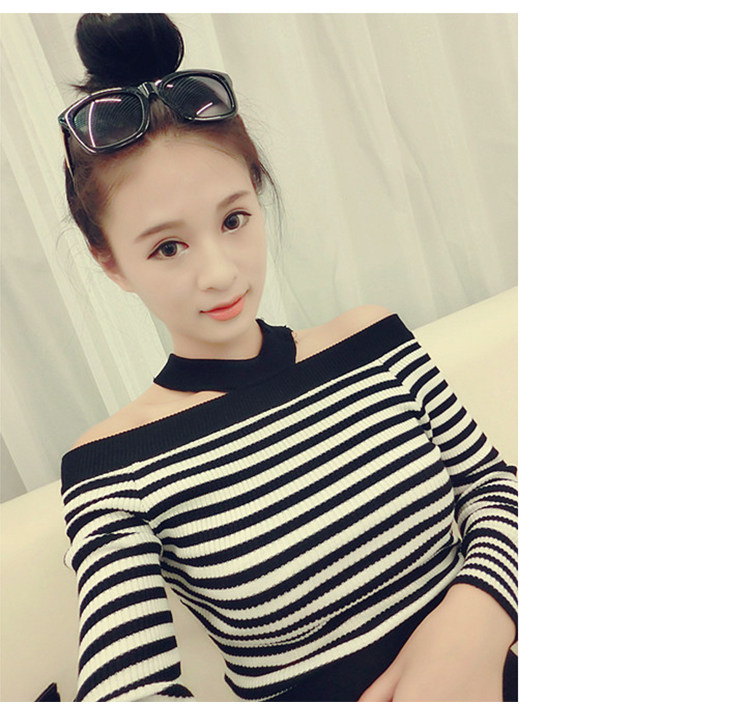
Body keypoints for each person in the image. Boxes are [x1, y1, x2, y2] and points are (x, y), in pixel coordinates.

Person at [59, 13, 518, 702]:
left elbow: (496, 489)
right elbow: (127, 697)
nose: (220, 273)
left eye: (233, 219)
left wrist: (471, 628)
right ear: (111, 263)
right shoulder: (110, 468)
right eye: (167, 247)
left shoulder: (374, 342)